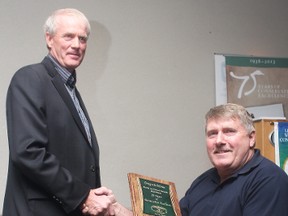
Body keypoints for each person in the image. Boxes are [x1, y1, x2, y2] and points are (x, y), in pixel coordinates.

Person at [2, 8, 131, 216]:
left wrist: (98, 200)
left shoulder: (69, 90)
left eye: (82, 38)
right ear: (49, 39)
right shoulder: (30, 78)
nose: (77, 45)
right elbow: (28, 152)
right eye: (68, 36)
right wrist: (84, 196)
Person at [180, 103, 288, 216]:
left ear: (251, 138)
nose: (219, 141)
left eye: (229, 131)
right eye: (212, 134)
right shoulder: (202, 182)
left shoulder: (269, 180)